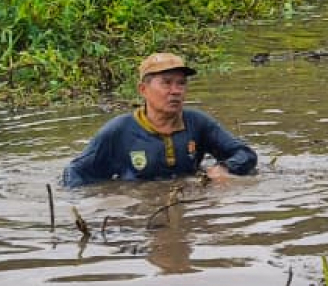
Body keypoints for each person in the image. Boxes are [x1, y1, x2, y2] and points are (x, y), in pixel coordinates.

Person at [62, 52, 257, 187]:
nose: (175, 91)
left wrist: (224, 168)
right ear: (143, 90)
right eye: (166, 83)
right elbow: (75, 173)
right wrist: (106, 199)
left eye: (181, 83)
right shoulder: (118, 131)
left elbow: (245, 154)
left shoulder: (197, 123)